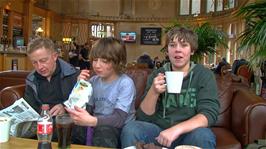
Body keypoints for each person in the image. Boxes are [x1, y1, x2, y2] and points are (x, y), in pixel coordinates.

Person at [121, 27, 220, 149]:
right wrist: (154, 91)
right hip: (158, 133)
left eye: (184, 45)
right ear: (167, 51)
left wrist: (176, 130)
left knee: (204, 136)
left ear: (192, 50)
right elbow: (143, 117)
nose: (177, 50)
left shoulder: (204, 75)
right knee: (131, 129)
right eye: (172, 45)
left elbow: (209, 114)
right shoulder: (158, 74)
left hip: (189, 133)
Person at [66, 37, 136, 148]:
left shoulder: (125, 83)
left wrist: (92, 121)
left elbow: (119, 119)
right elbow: (83, 109)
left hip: (119, 127)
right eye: (95, 60)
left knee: (104, 132)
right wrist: (81, 87)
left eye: (105, 61)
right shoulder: (93, 81)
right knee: (72, 126)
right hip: (95, 123)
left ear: (118, 61)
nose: (97, 65)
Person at [23, 37, 86, 144]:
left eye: (43, 61)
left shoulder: (73, 75)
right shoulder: (31, 79)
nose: (39, 67)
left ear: (55, 56)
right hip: (42, 128)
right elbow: (30, 107)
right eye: (34, 63)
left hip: (69, 126)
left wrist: (64, 106)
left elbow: (83, 104)